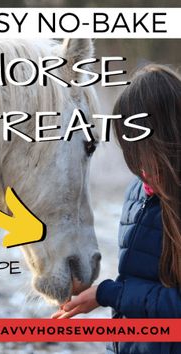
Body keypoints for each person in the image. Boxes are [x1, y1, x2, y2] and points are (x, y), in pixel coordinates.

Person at [52, 64, 181, 354]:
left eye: (147, 153)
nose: (142, 169)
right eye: (132, 153)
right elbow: (136, 282)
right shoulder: (138, 193)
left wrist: (109, 293)